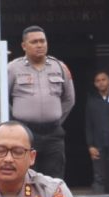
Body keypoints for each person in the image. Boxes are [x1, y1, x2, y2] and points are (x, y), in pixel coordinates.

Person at [8, 25, 75, 179]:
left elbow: (69, 99)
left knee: (55, 179)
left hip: (53, 133)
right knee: (26, 178)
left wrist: (56, 119)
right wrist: (16, 123)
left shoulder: (59, 67)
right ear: (24, 46)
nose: (39, 45)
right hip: (25, 134)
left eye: (42, 41)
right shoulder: (13, 68)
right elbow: (3, 98)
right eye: (34, 42)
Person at [85, 70, 109, 193]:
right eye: (98, 81)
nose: (101, 83)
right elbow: (88, 124)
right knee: (99, 176)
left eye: (103, 79)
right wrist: (90, 145)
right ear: (95, 84)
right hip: (98, 143)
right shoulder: (92, 101)